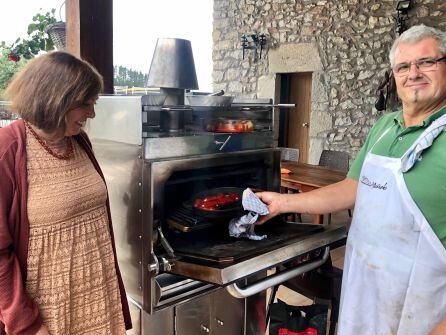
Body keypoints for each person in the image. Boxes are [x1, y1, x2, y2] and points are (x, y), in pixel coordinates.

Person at [257, 24, 446, 335]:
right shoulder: (384, 126)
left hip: (423, 314)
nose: (413, 73)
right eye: (403, 66)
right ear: (394, 76)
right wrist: (283, 202)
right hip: (364, 296)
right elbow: (352, 188)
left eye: (426, 62)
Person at [0, 52, 131, 334]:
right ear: (55, 99)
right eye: (86, 104)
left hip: (97, 295)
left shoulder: (78, 140)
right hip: (48, 312)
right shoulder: (7, 149)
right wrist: (26, 323)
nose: (92, 114)